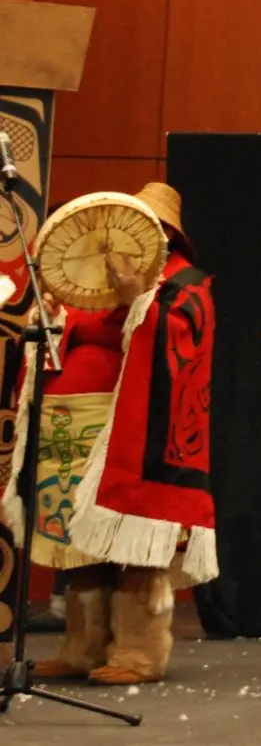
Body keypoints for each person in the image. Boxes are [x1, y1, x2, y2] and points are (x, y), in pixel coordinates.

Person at [5, 183, 215, 685]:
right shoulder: (87, 280)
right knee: (77, 541)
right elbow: (58, 338)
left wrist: (138, 300)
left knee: (130, 542)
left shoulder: (184, 285)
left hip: (126, 430)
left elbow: (180, 344)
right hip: (68, 426)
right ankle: (82, 648)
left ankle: (139, 654)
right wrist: (52, 320)